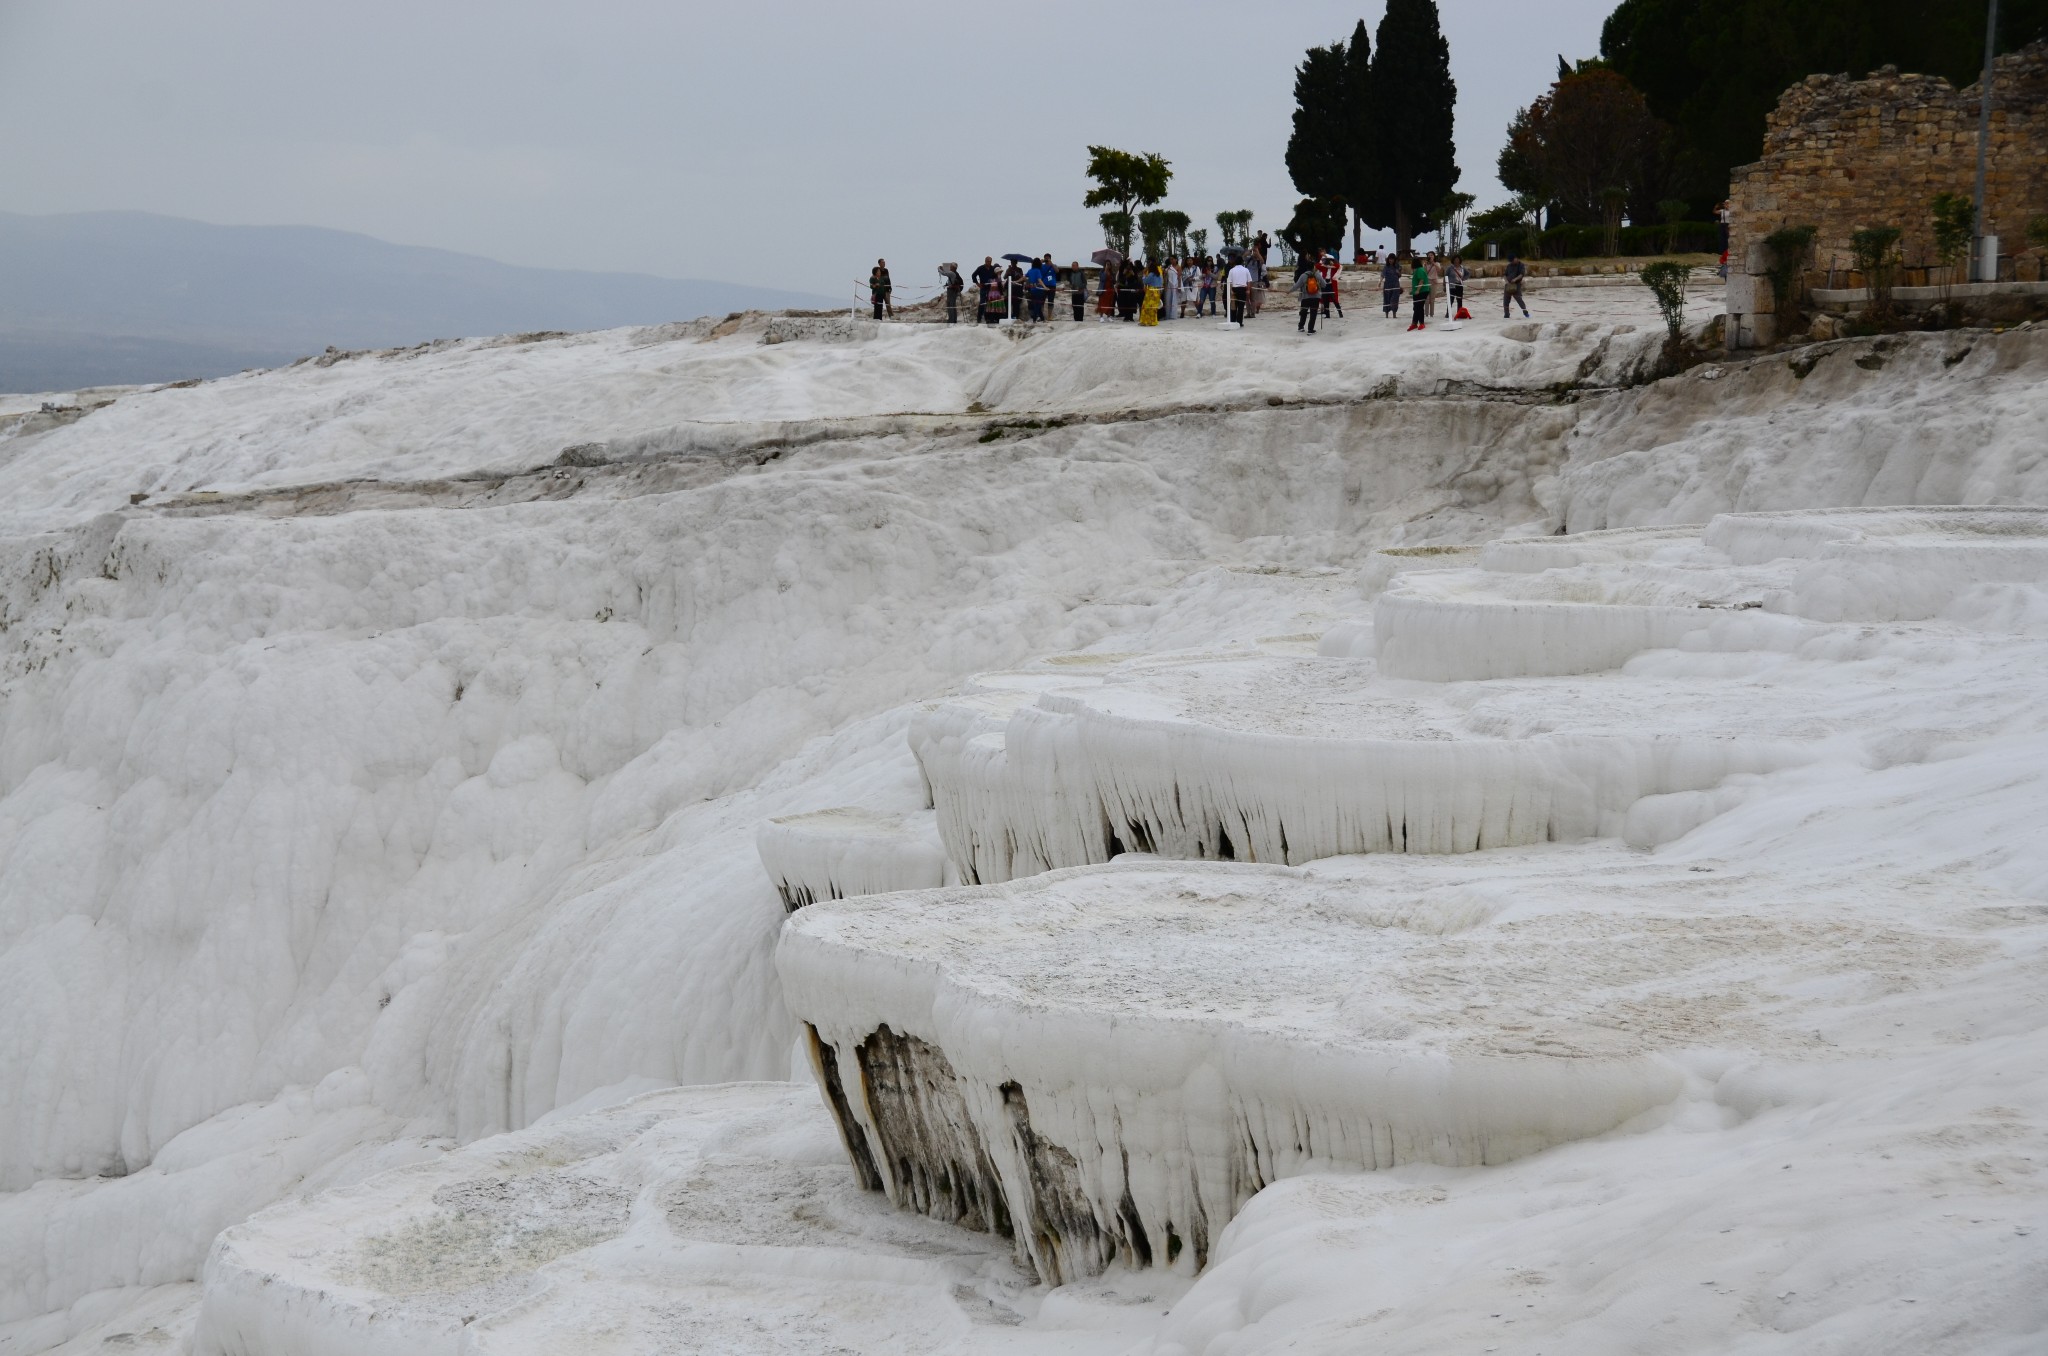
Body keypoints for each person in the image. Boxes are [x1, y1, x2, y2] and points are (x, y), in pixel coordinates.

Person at [1294, 265, 1321, 334]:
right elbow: (1324, 284)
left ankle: (1300, 327)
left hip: (1305, 297)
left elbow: (1297, 285)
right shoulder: (1317, 275)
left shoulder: (1303, 275)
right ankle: (1310, 330)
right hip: (1315, 297)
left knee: (1304, 312)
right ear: (1313, 268)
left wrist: (1289, 291)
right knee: (1313, 313)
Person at [1316, 250, 1342, 319]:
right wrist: (1323, 261)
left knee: (1334, 299)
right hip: (1325, 284)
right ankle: (1327, 314)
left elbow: (1338, 265)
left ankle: (1340, 312)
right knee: (1325, 299)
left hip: (1331, 285)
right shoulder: (1323, 267)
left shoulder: (1334, 267)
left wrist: (1331, 264)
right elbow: (1317, 265)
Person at [1226, 256, 1252, 325]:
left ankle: (1233, 321)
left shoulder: (1232, 270)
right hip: (1242, 289)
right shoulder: (1246, 270)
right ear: (1242, 262)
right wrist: (1248, 290)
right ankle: (1239, 322)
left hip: (1234, 289)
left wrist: (1231, 290)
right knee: (1241, 306)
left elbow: (1229, 282)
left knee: (1233, 306)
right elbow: (1249, 281)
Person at [1503, 252, 1529, 318]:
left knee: (1519, 299)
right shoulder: (1509, 266)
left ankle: (1525, 312)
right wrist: (1506, 281)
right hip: (1508, 285)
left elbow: (1521, 274)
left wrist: (1515, 279)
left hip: (1516, 285)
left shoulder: (1521, 265)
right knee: (1506, 300)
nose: (1511, 262)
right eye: (1510, 261)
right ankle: (1506, 314)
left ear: (1515, 258)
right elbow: (1505, 275)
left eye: (1512, 260)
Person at [1408, 256, 1430, 330]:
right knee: (1416, 307)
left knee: (1419, 307)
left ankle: (1421, 323)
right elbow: (1417, 281)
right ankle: (1414, 323)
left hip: (1422, 291)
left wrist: (1417, 290)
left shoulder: (1420, 270)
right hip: (1418, 291)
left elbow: (1421, 281)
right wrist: (1414, 290)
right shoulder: (1417, 270)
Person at [1140, 262, 1163, 326]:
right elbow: (1161, 283)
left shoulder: (1151, 274)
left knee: (1147, 306)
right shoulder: (1159, 275)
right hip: (1157, 291)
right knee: (1154, 307)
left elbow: (1145, 281)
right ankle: (1153, 321)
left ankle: (1146, 321)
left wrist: (1144, 276)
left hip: (1151, 291)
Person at [1381, 254, 1402, 318]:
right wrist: (1379, 282)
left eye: (1392, 259)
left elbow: (1400, 275)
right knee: (1386, 299)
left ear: (1394, 259)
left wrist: (1398, 272)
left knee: (1395, 299)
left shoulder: (1398, 266)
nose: (1391, 260)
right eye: (1390, 259)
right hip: (1387, 285)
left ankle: (1394, 314)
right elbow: (1382, 275)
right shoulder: (1386, 267)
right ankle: (1386, 315)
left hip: (1395, 284)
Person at [1426, 253, 1445, 319]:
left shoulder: (1437, 263)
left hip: (1434, 281)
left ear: (1434, 256)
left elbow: (1439, 270)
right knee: (1427, 299)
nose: (1430, 256)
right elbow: (1425, 273)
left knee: (1432, 299)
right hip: (1427, 281)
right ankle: (1426, 313)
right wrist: (1426, 265)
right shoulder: (1425, 264)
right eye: (1429, 255)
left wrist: (1433, 263)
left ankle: (1431, 314)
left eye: (1431, 255)